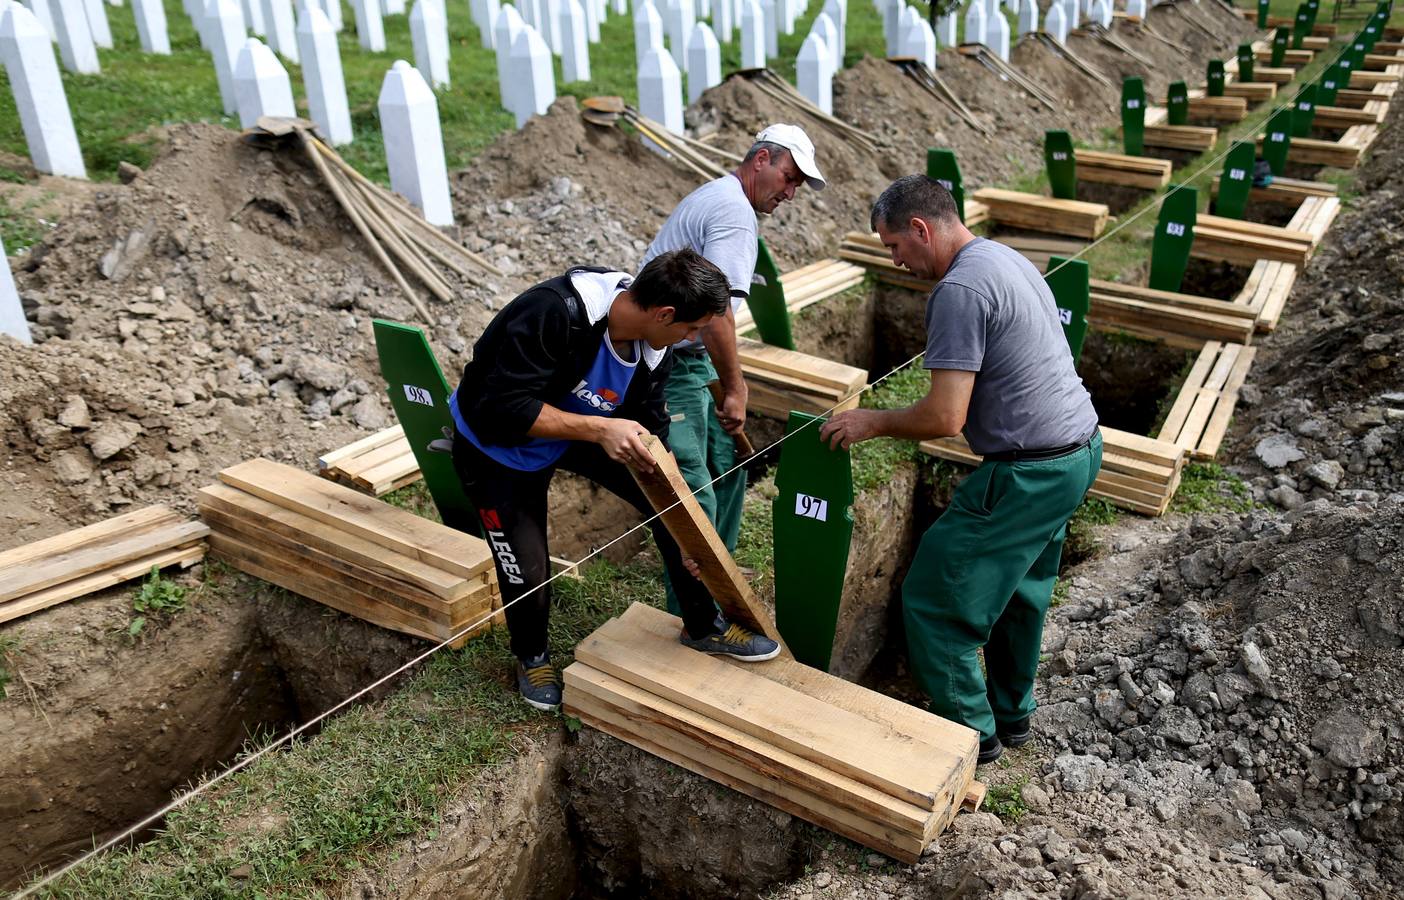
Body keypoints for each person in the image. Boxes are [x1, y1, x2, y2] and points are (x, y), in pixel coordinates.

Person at [819, 176, 1102, 765]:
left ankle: (973, 736)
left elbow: (946, 415)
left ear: (921, 229)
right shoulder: (1002, 257)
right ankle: (1013, 715)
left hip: (1029, 472)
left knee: (934, 601)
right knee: (1021, 592)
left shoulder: (959, 292)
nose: (895, 259)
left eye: (895, 245)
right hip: (1078, 450)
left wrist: (872, 421)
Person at [449, 250, 781, 711]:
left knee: (670, 510)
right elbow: (502, 407)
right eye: (690, 328)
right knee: (525, 567)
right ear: (664, 313)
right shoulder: (555, 313)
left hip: (581, 430)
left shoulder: (654, 348)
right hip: (497, 444)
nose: (693, 339)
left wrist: (686, 529)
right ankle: (532, 657)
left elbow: (651, 431)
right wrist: (601, 428)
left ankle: (702, 627)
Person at [639, 123, 827, 614]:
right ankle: (698, 615)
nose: (789, 193)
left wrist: (721, 384)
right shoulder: (734, 214)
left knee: (728, 463)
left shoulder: (722, 199)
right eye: (788, 178)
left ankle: (717, 570)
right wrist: (738, 389)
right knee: (693, 490)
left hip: (690, 359)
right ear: (760, 158)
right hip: (668, 364)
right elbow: (718, 313)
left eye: (797, 187)